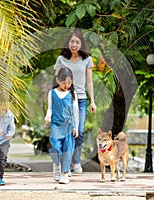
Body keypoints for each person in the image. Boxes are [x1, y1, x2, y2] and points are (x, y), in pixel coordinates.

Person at [54, 29, 96, 174]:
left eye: (78, 42)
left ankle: (76, 162)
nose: (74, 44)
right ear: (68, 42)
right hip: (65, 99)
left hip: (81, 99)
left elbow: (89, 82)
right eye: (72, 41)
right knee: (66, 131)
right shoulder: (61, 59)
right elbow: (56, 80)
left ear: (81, 44)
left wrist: (93, 101)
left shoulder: (87, 59)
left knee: (80, 131)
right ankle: (66, 163)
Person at [45, 67, 79, 184]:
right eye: (64, 83)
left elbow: (76, 111)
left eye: (69, 83)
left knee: (68, 149)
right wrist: (48, 116)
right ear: (58, 80)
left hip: (69, 125)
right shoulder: (52, 93)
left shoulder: (73, 94)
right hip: (56, 125)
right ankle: (56, 164)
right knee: (55, 147)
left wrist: (76, 127)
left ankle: (65, 173)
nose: (67, 85)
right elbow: (49, 108)